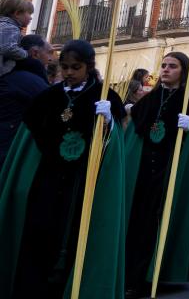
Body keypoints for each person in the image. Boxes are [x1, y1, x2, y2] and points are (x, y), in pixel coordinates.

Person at [0, 40, 126, 297]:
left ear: (89, 67)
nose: (68, 72)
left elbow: (115, 147)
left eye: (75, 67)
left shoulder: (105, 98)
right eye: (64, 67)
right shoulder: (48, 97)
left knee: (74, 236)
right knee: (37, 235)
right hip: (46, 179)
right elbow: (31, 136)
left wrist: (109, 122)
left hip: (82, 183)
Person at [123, 52, 189, 295]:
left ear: (184, 71)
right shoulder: (150, 99)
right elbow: (134, 129)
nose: (166, 70)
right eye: (163, 65)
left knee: (155, 222)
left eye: (172, 66)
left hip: (168, 172)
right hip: (142, 170)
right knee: (137, 221)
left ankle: (147, 276)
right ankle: (131, 274)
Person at [0, 38, 49, 165]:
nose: (51, 58)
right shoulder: (30, 81)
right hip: (9, 152)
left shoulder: (13, 75)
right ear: (35, 53)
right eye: (49, 52)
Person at [0, 0, 31, 77]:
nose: (31, 18)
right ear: (17, 14)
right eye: (29, 13)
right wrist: (26, 54)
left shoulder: (4, 26)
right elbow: (8, 48)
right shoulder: (11, 27)